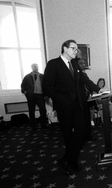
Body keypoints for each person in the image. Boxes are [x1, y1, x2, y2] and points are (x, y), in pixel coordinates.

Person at [42, 39, 100, 174]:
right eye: (73, 48)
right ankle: (72, 161)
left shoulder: (74, 64)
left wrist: (98, 89)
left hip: (77, 105)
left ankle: (67, 159)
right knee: (68, 135)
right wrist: (62, 99)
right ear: (64, 48)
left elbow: (84, 79)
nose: (76, 51)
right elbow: (47, 88)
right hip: (64, 106)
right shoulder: (53, 64)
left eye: (76, 49)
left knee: (81, 132)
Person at [21, 63, 47, 130]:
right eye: (34, 67)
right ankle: (33, 125)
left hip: (40, 95)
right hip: (31, 95)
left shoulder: (42, 76)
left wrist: (46, 93)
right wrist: (25, 91)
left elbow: (45, 85)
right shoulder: (27, 76)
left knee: (43, 109)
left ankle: (43, 124)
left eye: (37, 67)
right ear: (32, 68)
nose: (36, 68)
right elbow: (23, 85)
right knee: (31, 110)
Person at [76, 57, 96, 141]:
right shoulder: (75, 75)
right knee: (80, 121)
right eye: (81, 63)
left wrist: (94, 92)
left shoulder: (84, 74)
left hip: (86, 100)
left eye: (84, 63)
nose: (83, 65)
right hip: (78, 101)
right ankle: (82, 137)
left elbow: (88, 84)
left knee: (87, 119)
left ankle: (88, 136)